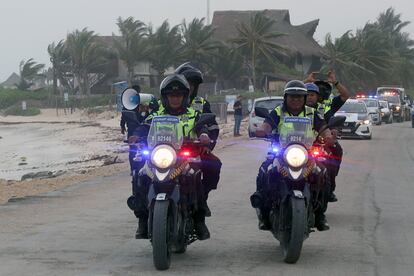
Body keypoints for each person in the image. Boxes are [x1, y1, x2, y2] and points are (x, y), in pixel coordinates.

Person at [129, 74, 218, 240]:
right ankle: (142, 218)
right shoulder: (156, 114)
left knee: (202, 172)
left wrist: (204, 135)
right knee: (139, 175)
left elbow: (202, 127)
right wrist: (135, 136)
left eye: (179, 96)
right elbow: (144, 127)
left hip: (185, 158)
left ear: (185, 97)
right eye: (171, 96)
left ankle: (199, 216)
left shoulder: (194, 114)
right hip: (160, 157)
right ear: (165, 97)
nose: (175, 99)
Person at [252, 80, 334, 231]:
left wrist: (328, 136)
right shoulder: (278, 111)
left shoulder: (312, 112)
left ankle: (320, 214)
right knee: (265, 171)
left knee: (323, 174)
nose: (295, 100)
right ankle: (263, 213)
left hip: (307, 153)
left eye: (299, 97)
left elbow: (323, 127)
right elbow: (267, 124)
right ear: (285, 97)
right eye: (292, 97)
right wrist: (262, 130)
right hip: (282, 152)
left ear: (304, 98)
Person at [174, 62, 222, 216]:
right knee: (141, 168)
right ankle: (143, 211)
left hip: (194, 149)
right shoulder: (167, 101)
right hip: (167, 148)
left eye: (192, 84)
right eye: (186, 83)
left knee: (214, 164)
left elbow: (212, 125)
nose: (189, 87)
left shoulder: (201, 104)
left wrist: (208, 142)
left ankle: (202, 199)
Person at [305, 71, 350, 202]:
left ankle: (328, 189)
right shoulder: (297, 105)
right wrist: (307, 81)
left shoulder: (327, 105)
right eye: (307, 94)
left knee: (334, 156)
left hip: (322, 141)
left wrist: (335, 82)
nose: (310, 97)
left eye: (313, 94)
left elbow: (345, 95)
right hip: (299, 141)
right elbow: (290, 94)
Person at [120, 84, 151, 174]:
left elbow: (147, 117)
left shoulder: (142, 103)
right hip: (133, 130)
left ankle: (139, 168)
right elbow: (124, 115)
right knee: (133, 150)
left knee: (141, 150)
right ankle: (134, 169)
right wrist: (122, 126)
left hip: (140, 130)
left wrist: (144, 110)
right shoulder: (127, 103)